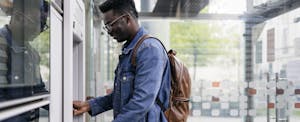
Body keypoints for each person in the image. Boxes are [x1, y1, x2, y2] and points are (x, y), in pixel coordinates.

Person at [73, 0, 171, 121]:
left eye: (110, 24)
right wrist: (89, 105)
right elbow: (119, 96)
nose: (108, 31)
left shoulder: (149, 49)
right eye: (106, 27)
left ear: (127, 19)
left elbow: (141, 102)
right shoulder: (130, 51)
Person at [0, 0, 49, 121]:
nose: (40, 31)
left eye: (43, 26)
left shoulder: (32, 53)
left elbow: (38, 91)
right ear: (18, 17)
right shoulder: (2, 47)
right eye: (38, 24)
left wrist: (65, 104)